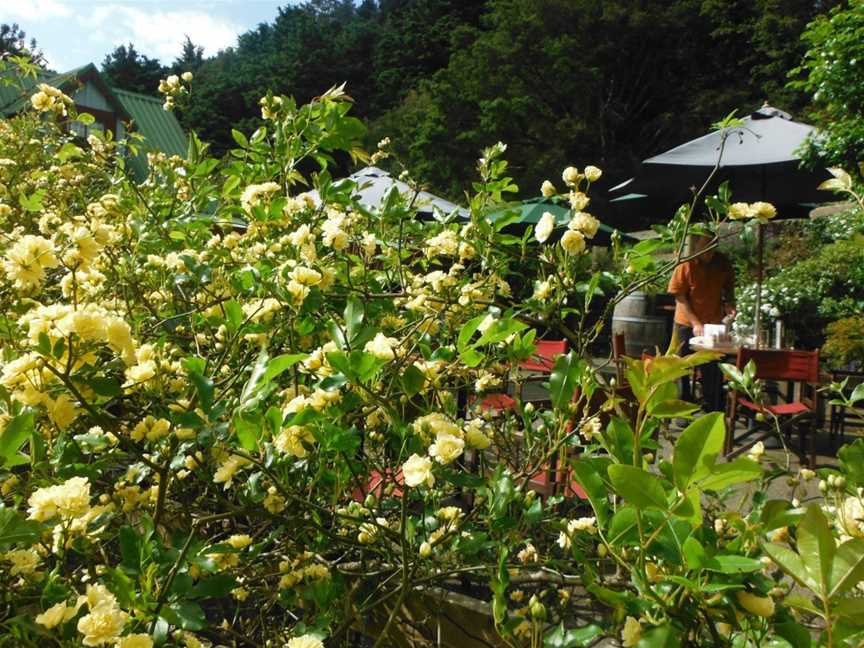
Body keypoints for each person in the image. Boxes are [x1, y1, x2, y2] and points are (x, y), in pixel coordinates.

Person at [667, 233, 736, 411]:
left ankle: (711, 406)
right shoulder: (686, 265)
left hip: (713, 323)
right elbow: (680, 298)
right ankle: (682, 408)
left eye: (712, 247)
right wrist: (695, 323)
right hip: (685, 323)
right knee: (681, 366)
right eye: (706, 248)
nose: (709, 252)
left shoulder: (722, 263)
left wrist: (729, 303)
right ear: (697, 247)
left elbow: (729, 287)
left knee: (711, 365)